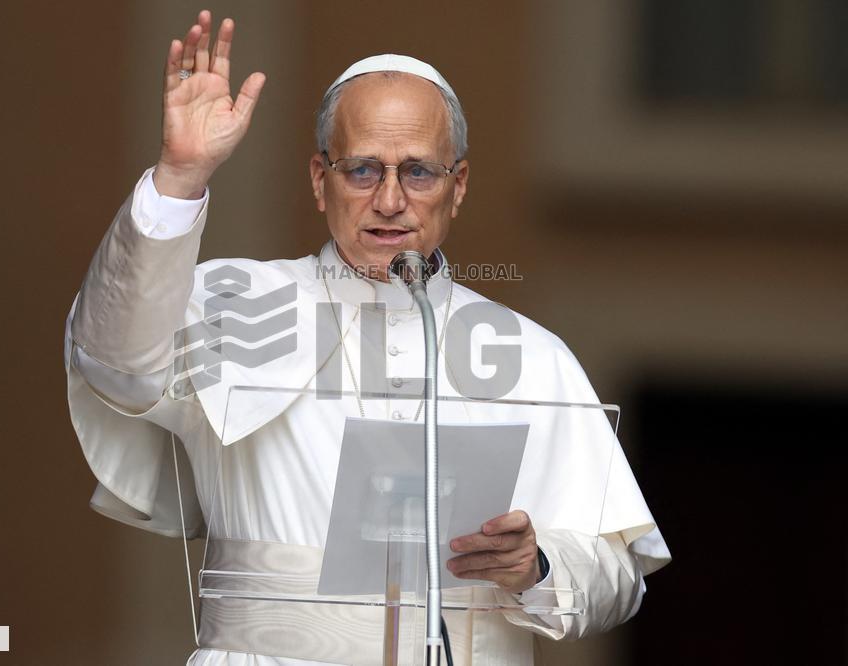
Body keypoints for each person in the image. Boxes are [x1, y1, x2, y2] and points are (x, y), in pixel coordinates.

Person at [64, 10, 670, 665]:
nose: (389, 200)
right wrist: (179, 180)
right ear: (320, 179)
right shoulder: (233, 304)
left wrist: (539, 564)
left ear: (456, 186)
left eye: (418, 172)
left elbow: (617, 582)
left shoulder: (531, 354)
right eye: (362, 171)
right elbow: (114, 360)